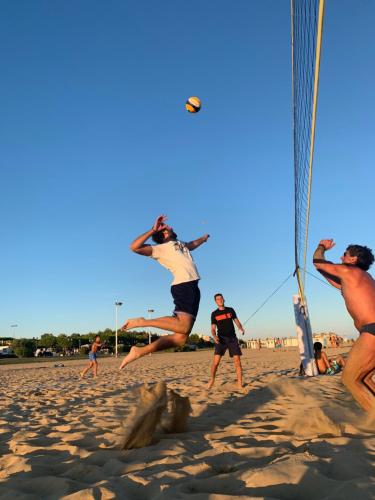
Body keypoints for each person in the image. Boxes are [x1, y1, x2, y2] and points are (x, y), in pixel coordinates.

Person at [119, 215, 209, 369]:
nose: (171, 227)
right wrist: (153, 230)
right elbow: (134, 247)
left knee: (180, 338)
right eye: (168, 227)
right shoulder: (159, 249)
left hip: (193, 287)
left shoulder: (180, 244)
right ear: (164, 234)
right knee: (184, 327)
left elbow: (191, 245)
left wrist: (204, 238)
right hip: (183, 285)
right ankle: (142, 322)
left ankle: (139, 351)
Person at [313, 239, 375, 412]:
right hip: (372, 330)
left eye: (345, 254)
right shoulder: (363, 277)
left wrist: (322, 247)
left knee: (349, 379)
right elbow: (326, 272)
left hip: (372, 330)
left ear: (354, 259)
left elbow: (317, 261)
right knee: (363, 378)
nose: (341, 257)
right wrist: (321, 267)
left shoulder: (349, 271)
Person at [207, 293, 245, 390]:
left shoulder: (230, 310)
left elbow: (236, 320)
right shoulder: (214, 314)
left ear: (224, 299)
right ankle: (212, 379)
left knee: (237, 361)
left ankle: (240, 384)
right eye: (217, 299)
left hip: (232, 338)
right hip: (221, 339)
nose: (220, 300)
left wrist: (240, 328)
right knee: (216, 362)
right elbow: (212, 328)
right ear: (215, 302)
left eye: (221, 298)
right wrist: (214, 336)